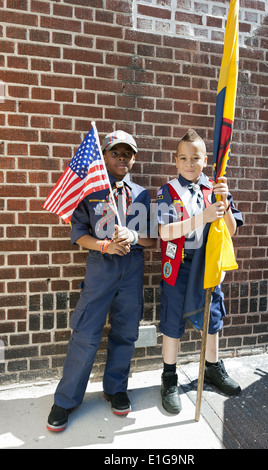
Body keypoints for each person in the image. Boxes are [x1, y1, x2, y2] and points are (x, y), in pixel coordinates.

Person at [47, 130, 154, 431]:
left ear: (134, 158)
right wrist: (105, 245)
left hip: (131, 271)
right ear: (104, 155)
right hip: (101, 269)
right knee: (86, 334)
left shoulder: (141, 194)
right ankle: (66, 399)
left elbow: (150, 241)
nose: (122, 157)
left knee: (125, 332)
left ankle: (115, 388)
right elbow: (79, 234)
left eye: (128, 153)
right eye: (115, 152)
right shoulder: (91, 192)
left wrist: (133, 235)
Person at [156, 129, 244, 414]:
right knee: (172, 319)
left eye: (195, 158)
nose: (189, 163)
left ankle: (213, 368)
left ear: (205, 160)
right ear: (176, 160)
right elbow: (165, 231)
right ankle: (169, 377)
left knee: (212, 316)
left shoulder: (215, 188)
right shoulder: (168, 191)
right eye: (183, 158)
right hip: (180, 264)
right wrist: (200, 218)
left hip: (208, 262)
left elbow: (231, 230)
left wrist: (225, 202)